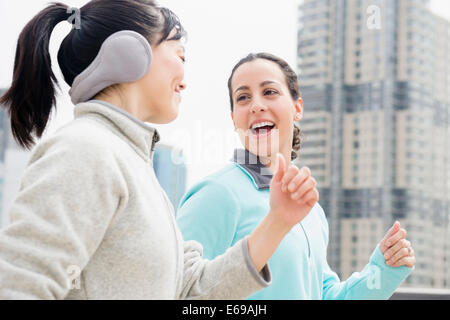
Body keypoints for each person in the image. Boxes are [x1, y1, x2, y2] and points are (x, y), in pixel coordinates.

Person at [0, 2, 319, 299]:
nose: (184, 80)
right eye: (179, 55)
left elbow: (191, 289)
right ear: (130, 52)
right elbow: (22, 285)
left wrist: (277, 221)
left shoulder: (133, 166)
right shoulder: (85, 149)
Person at [176, 52, 416, 300]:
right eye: (243, 97)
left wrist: (382, 272)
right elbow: (178, 291)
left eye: (269, 92)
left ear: (297, 108)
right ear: (234, 118)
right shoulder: (216, 193)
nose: (256, 105)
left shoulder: (312, 212)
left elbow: (323, 295)